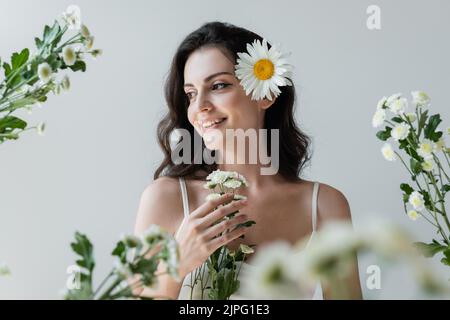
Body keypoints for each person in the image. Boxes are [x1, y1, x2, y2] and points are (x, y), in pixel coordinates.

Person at [133, 21, 362, 300]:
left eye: (218, 85)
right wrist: (177, 267)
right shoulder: (166, 198)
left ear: (265, 94)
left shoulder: (323, 206)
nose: (200, 106)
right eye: (191, 94)